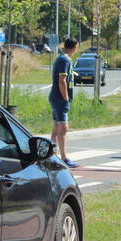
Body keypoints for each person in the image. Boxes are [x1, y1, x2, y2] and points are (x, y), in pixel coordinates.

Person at [49, 37, 79, 168]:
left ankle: (50, 155)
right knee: (63, 128)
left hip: (57, 97)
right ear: (75, 47)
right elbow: (62, 80)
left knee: (57, 127)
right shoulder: (65, 60)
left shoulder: (63, 59)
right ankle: (64, 158)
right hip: (60, 98)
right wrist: (66, 97)